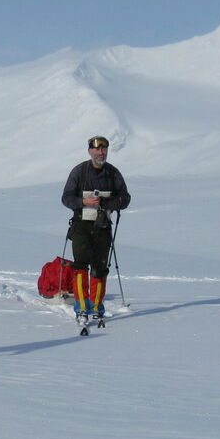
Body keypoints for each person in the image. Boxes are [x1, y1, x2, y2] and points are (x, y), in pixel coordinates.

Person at [61, 136, 131, 329]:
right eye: (97, 150)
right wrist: (83, 202)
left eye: (104, 149)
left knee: (100, 268)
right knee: (81, 266)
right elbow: (66, 198)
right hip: (81, 225)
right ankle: (82, 307)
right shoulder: (79, 171)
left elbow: (125, 199)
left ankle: (97, 306)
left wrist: (106, 204)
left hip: (103, 226)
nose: (101, 153)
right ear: (90, 151)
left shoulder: (113, 173)